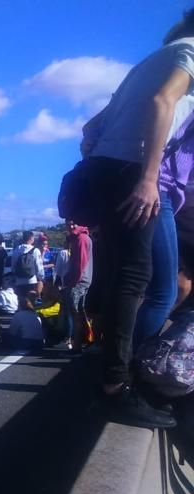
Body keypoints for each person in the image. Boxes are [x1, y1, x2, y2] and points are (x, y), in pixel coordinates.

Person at [77, 11, 194, 428]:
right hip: (134, 170)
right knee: (144, 283)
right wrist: (147, 177)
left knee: (144, 281)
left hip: (110, 166)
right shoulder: (191, 53)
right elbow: (163, 101)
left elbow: (91, 126)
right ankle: (120, 385)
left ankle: (118, 377)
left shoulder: (150, 61)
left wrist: (99, 155)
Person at [63, 223, 93, 350]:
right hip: (84, 280)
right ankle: (84, 342)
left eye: (73, 223)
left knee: (75, 314)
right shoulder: (81, 237)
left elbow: (81, 261)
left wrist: (74, 280)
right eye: (68, 223)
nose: (70, 226)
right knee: (80, 313)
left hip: (78, 281)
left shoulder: (80, 238)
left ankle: (77, 346)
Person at [10, 231, 44, 298]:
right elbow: (39, 267)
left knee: (21, 300)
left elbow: (13, 265)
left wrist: (15, 275)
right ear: (31, 238)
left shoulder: (17, 249)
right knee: (31, 301)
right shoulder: (35, 250)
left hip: (19, 280)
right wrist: (40, 278)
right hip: (31, 280)